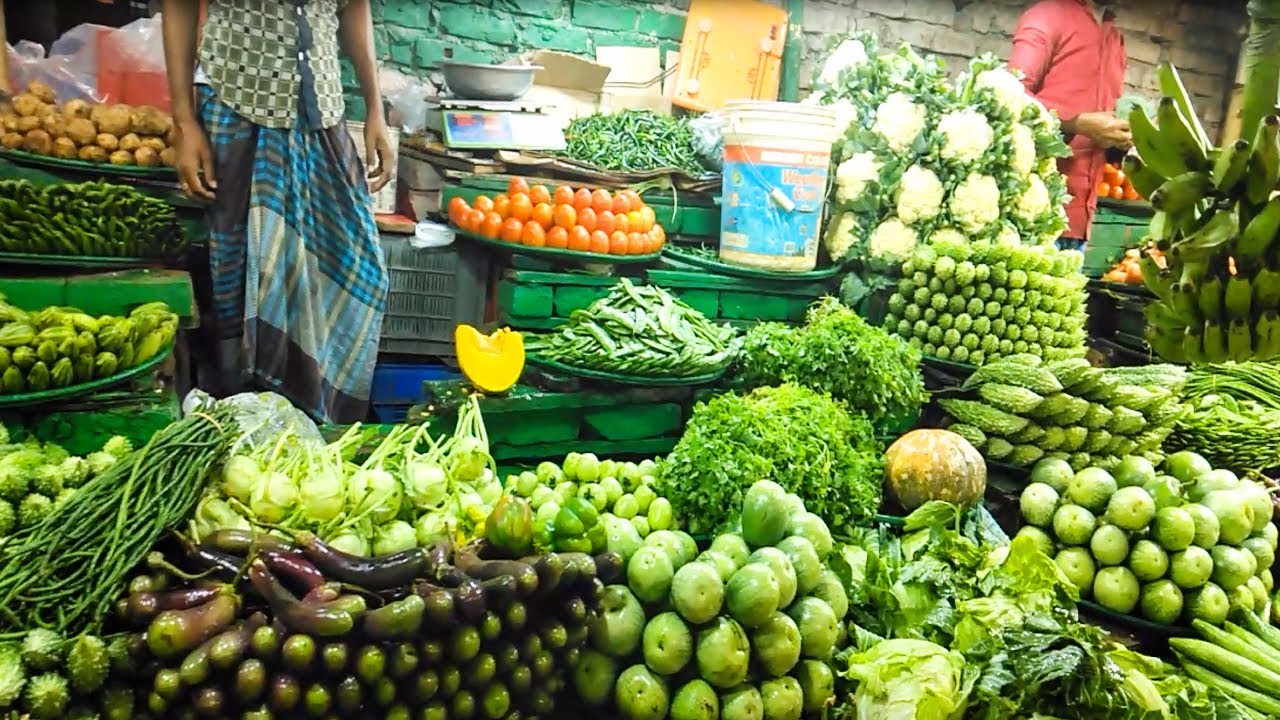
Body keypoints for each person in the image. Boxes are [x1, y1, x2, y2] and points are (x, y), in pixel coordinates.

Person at [160, 0, 393, 424]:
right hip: (236, 101)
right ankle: (240, 420)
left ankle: (317, 421)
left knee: (361, 272)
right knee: (240, 276)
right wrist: (184, 122)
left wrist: (376, 108)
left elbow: (354, 6)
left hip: (322, 116)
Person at [1009, 0, 1131, 249]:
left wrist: (1124, 138)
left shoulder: (1114, 38)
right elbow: (1008, 96)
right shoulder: (1048, 15)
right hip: (1029, 217)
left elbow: (1103, 124)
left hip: (1080, 222)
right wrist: (1077, 124)